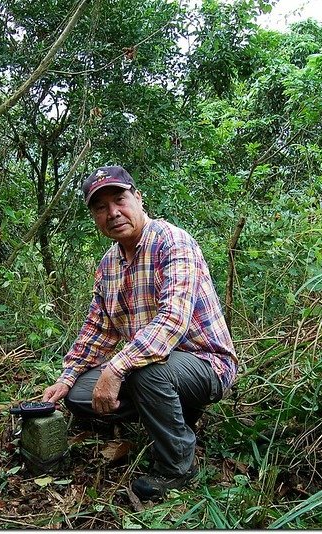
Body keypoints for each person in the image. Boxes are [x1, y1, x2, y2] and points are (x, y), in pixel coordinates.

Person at [42, 165, 239, 500]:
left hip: (205, 364)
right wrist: (67, 376)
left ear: (138, 197)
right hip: (151, 365)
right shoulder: (109, 264)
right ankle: (169, 412)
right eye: (101, 208)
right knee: (78, 394)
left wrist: (117, 368)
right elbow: (97, 328)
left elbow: (173, 319)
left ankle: (178, 468)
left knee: (144, 373)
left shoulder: (173, 242)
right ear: (94, 217)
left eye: (119, 200)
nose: (113, 213)